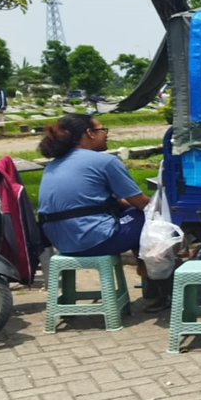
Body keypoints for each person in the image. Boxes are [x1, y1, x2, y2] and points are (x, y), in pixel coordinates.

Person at [36, 115, 169, 311]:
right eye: (102, 130)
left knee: (133, 217)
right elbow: (141, 204)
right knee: (150, 219)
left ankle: (150, 280)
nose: (106, 135)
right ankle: (164, 286)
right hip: (92, 240)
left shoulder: (55, 164)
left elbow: (105, 202)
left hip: (62, 242)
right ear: (89, 133)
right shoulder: (104, 161)